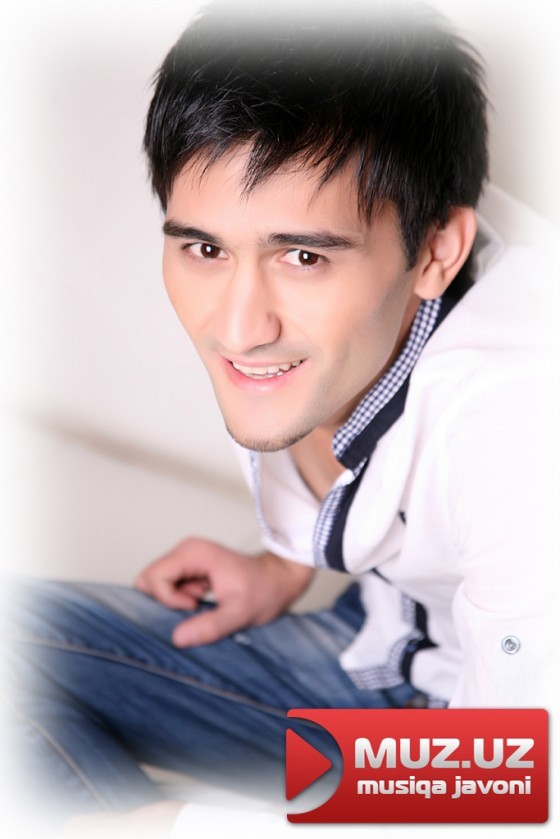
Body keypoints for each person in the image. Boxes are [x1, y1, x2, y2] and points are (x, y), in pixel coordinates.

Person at [3, 1, 559, 836]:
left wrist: (180, 823)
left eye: (302, 256)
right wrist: (283, 561)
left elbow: (515, 787)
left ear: (437, 251)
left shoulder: (522, 432)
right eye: (205, 248)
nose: (236, 326)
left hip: (490, 755)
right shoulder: (396, 240)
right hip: (389, 646)